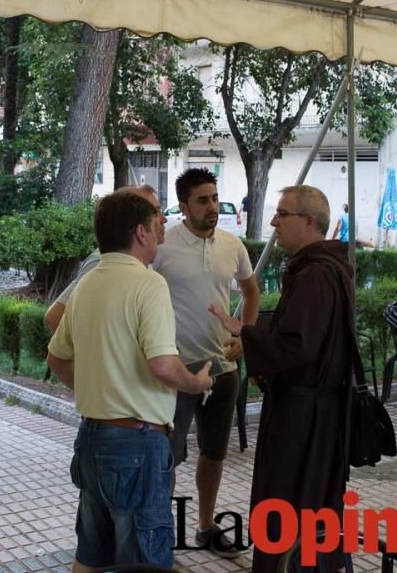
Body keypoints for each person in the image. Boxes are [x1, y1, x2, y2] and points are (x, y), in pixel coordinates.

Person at [47, 191, 213, 571]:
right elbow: (162, 365)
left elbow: (56, 357)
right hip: (137, 446)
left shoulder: (87, 284)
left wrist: (100, 390)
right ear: (140, 233)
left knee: (90, 556)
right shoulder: (149, 284)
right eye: (156, 225)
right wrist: (197, 382)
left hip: (90, 440)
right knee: (145, 561)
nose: (160, 232)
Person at [210, 185, 353, 573]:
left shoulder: (316, 275)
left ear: (309, 222)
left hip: (303, 421)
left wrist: (246, 333)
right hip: (314, 412)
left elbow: (297, 347)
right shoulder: (325, 268)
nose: (273, 223)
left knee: (289, 506)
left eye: (282, 214)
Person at [152, 168, 260, 557]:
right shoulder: (161, 247)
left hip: (223, 369)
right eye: (203, 200)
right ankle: (159, 534)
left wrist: (243, 337)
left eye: (215, 198)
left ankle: (206, 526)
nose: (212, 206)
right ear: (184, 206)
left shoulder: (232, 245)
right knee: (167, 456)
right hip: (177, 372)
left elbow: (251, 291)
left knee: (214, 452)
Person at [43, 185, 164, 333]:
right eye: (154, 212)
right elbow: (55, 318)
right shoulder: (102, 261)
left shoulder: (139, 260)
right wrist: (89, 355)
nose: (163, 219)